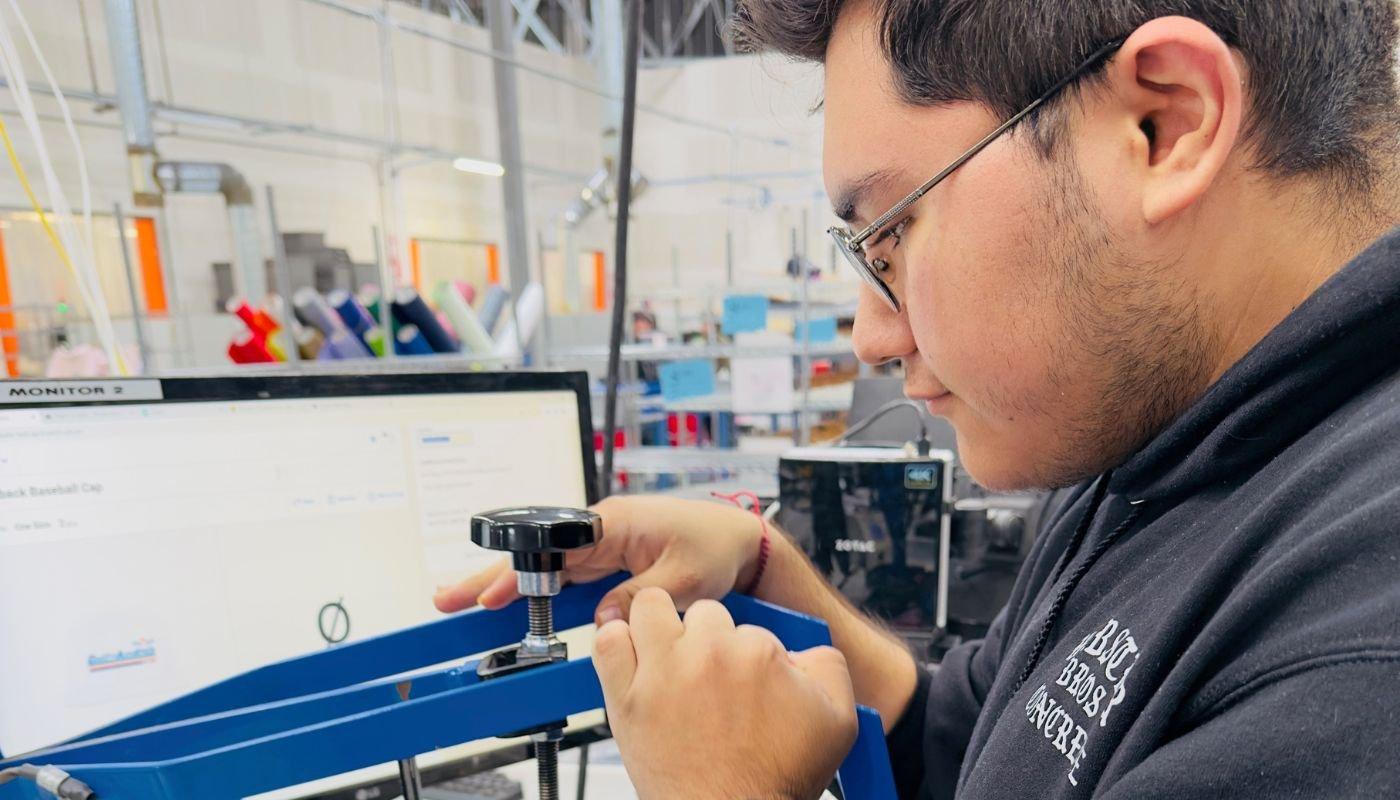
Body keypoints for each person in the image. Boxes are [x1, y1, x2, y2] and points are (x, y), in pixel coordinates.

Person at [436, 1, 1400, 797]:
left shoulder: (1355, 670)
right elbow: (980, 741)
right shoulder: (1162, 434)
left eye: (890, 234)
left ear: (1166, 125)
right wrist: (765, 571)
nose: (872, 334)